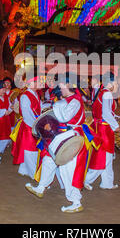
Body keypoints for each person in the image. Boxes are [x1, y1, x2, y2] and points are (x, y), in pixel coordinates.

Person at [25, 75, 94, 213]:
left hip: (70, 139)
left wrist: (57, 105)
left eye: (61, 84)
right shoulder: (69, 100)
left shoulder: (74, 101)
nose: (59, 87)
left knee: (67, 170)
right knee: (48, 160)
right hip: (62, 137)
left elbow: (64, 117)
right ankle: (41, 187)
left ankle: (75, 201)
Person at [84, 72, 119, 190]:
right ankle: (86, 180)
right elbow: (106, 113)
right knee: (104, 157)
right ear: (110, 82)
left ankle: (107, 183)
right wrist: (116, 126)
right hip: (105, 128)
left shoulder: (100, 92)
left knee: (106, 157)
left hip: (99, 126)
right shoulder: (107, 93)